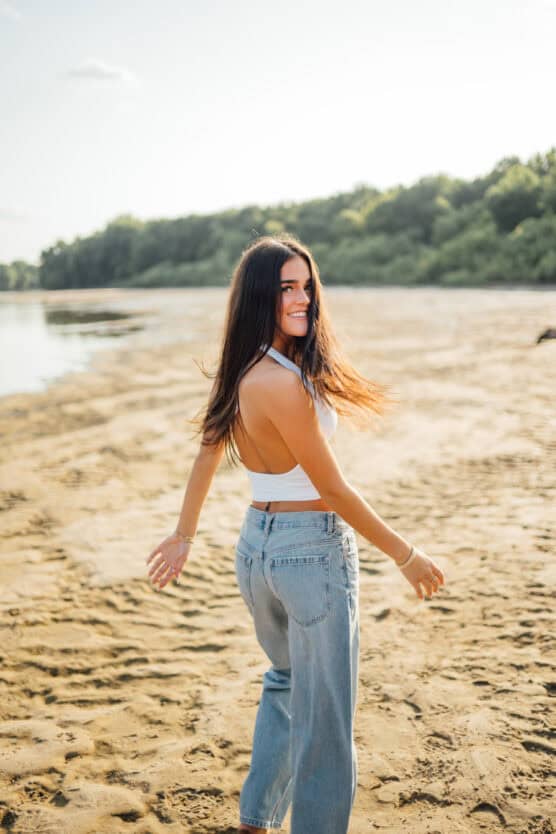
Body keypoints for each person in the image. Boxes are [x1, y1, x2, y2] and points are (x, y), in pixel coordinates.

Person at [146, 234, 446, 834]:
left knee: (285, 683)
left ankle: (256, 820)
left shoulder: (244, 369)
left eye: (307, 285)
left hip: (256, 549)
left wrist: (185, 535)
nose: (303, 298)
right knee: (327, 723)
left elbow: (208, 454)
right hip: (310, 551)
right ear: (262, 295)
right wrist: (405, 554)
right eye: (287, 287)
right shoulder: (279, 383)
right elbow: (332, 489)